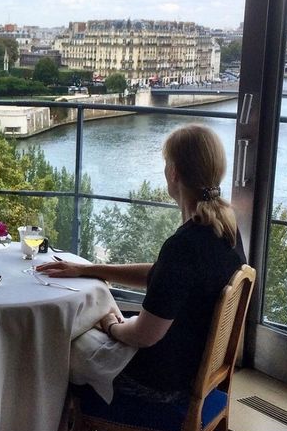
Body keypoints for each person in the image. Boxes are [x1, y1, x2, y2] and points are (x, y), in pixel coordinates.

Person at [37, 123, 245, 405]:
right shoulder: (225, 228)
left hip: (163, 386)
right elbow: (166, 278)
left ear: (173, 173)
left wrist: (111, 325)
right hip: (192, 366)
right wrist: (91, 269)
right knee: (89, 328)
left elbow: (144, 335)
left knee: (59, 344)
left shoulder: (183, 246)